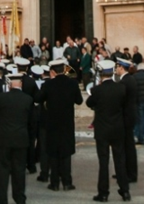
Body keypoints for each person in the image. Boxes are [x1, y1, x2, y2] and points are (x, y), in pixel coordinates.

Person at [86, 59, 130, 202]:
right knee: (120, 160)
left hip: (103, 130)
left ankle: (103, 193)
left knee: (103, 162)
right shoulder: (121, 88)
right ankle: (125, 191)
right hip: (117, 129)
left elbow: (89, 103)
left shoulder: (97, 90)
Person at [36, 57, 82, 190]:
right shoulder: (72, 83)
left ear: (52, 72)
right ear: (64, 70)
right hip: (67, 123)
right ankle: (67, 182)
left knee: (53, 153)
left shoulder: (48, 85)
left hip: (52, 123)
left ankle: (54, 182)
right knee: (66, 153)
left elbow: (38, 98)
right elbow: (79, 101)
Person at [0, 71, 34, 204]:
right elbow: (32, 122)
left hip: (3, 138)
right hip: (21, 139)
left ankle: (1, 199)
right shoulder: (28, 99)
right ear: (20, 84)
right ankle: (19, 198)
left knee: (2, 171)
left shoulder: (1, 98)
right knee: (19, 170)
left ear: (9, 84)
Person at [114, 58, 138, 183]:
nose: (116, 69)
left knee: (127, 146)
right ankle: (125, 172)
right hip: (130, 115)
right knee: (128, 145)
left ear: (121, 68)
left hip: (126, 117)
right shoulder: (131, 79)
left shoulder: (124, 82)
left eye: (117, 67)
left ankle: (129, 174)